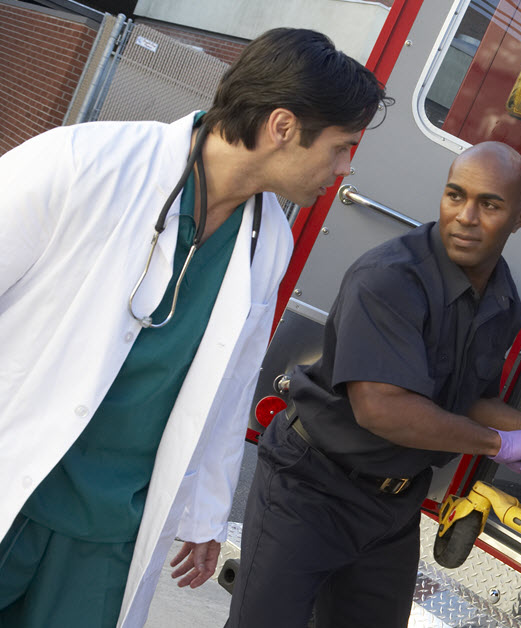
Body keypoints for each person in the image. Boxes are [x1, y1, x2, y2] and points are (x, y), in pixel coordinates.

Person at [0, 28, 389, 628]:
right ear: (282, 127)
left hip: (110, 528)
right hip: (14, 478)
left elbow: (228, 390)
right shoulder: (82, 163)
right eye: (341, 147)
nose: (344, 169)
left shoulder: (268, 243)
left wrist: (205, 516)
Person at [227, 141, 521, 628]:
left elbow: (470, 398)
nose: (465, 216)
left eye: (489, 204)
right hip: (312, 488)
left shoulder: (502, 297)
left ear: (520, 218)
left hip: (392, 506)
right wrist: (498, 443)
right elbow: (382, 408)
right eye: (454, 195)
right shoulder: (388, 278)